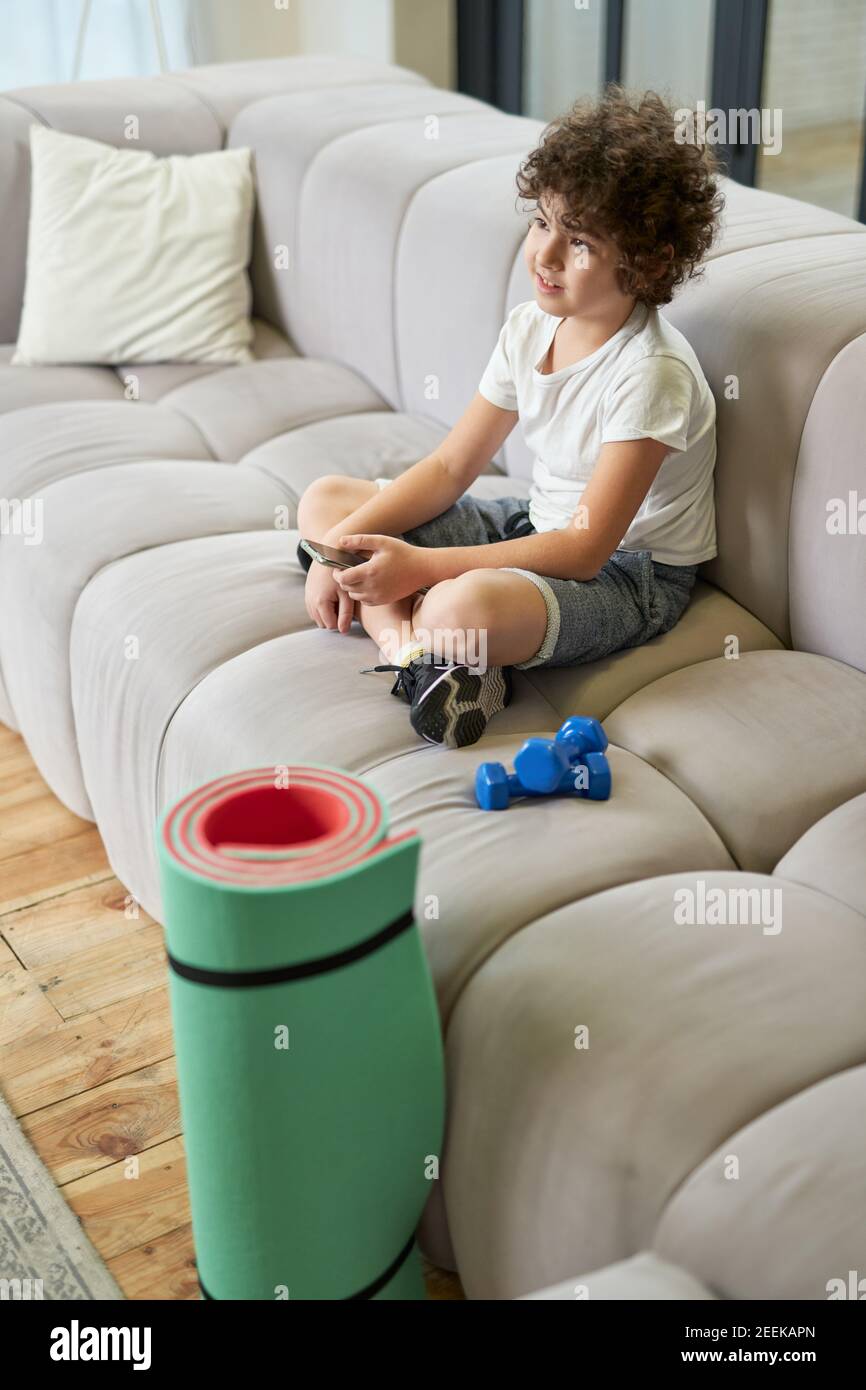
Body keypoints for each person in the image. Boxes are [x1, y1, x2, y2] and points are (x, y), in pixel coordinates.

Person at [297, 86, 724, 749]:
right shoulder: (530, 329)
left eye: (578, 240)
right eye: (542, 222)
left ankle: (421, 635)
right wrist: (336, 554)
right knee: (328, 504)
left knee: (455, 608)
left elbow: (584, 552)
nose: (545, 256)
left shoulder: (652, 374)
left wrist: (416, 569)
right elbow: (448, 467)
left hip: (625, 575)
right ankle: (417, 658)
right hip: (535, 523)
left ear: (648, 261)